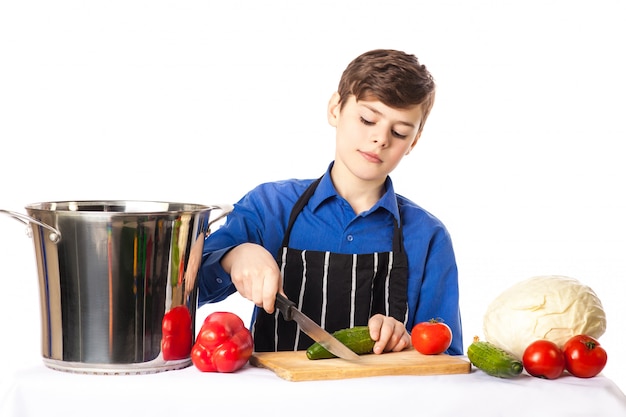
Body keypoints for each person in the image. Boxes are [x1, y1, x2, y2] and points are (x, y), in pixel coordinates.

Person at [196, 48, 463, 356]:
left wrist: (406, 343)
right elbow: (190, 292)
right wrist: (236, 256)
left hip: (384, 401)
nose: (381, 139)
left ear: (414, 141)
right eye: (367, 119)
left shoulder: (428, 237)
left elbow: (447, 358)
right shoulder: (270, 207)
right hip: (276, 401)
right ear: (336, 109)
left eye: (400, 132)